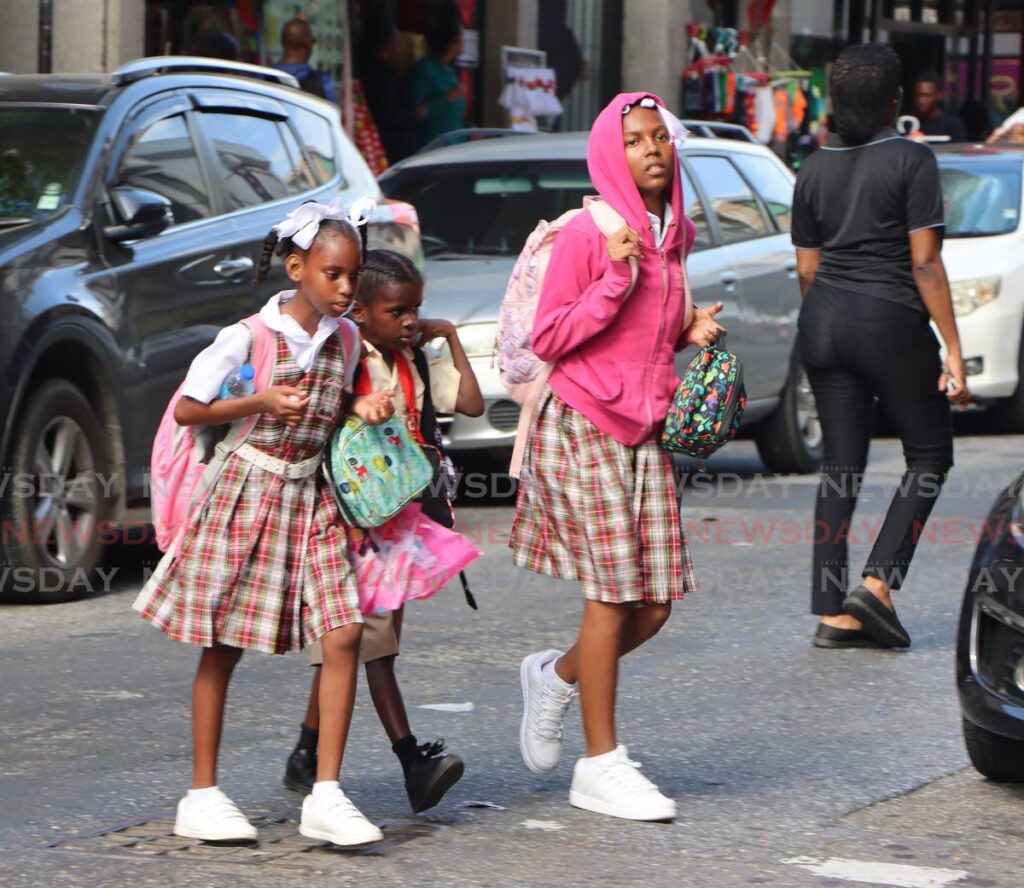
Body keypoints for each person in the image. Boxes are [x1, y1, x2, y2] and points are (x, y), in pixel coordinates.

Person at [133, 201, 395, 847]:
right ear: (298, 267)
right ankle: (201, 793)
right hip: (247, 491)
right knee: (222, 643)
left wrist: (360, 405)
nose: (344, 288)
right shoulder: (247, 336)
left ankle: (327, 794)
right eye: (333, 274)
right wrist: (259, 400)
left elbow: (327, 417)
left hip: (312, 497)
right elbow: (191, 409)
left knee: (344, 633)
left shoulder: (347, 339)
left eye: (353, 276)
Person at [509, 92, 723, 822]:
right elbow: (551, 338)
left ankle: (556, 676)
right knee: (612, 594)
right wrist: (614, 279)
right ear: (611, 153)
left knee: (656, 603)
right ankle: (600, 763)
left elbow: (648, 327)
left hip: (644, 431)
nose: (652, 150)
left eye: (660, 137)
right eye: (634, 140)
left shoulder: (676, 231)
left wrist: (686, 327)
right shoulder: (590, 233)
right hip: (583, 424)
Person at [284, 248, 485, 814]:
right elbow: (313, 410)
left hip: (398, 514)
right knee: (373, 643)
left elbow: (468, 403)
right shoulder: (346, 355)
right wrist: (357, 402)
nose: (409, 321)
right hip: (349, 517)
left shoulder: (414, 358)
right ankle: (411, 763)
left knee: (357, 641)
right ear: (361, 315)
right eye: (397, 311)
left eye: (416, 309)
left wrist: (448, 340)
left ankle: (306, 750)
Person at [792, 44, 970, 652]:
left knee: (840, 465)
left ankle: (831, 610)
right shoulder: (911, 159)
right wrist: (951, 346)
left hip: (822, 322)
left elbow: (807, 271)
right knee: (929, 455)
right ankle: (877, 585)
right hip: (887, 318)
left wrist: (825, 322)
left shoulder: (812, 168)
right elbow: (924, 263)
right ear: (896, 102)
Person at [359, 13, 418, 164]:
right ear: (387, 44)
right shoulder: (384, 76)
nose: (399, 49)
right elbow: (388, 113)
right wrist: (413, 115)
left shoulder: (378, 72)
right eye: (396, 43)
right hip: (390, 149)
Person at [409, 13, 466, 148]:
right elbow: (413, 113)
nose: (463, 42)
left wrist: (469, 129)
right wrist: (445, 98)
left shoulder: (451, 72)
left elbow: (454, 116)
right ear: (449, 41)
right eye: (460, 38)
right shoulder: (424, 70)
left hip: (457, 147)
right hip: (434, 148)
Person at [273, 16, 337, 103]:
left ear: (282, 42)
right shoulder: (323, 83)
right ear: (307, 43)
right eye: (313, 41)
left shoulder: (263, 78)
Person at [911, 72, 966, 141]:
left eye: (927, 95)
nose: (921, 100)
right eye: (918, 95)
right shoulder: (908, 123)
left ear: (939, 95)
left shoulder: (953, 125)